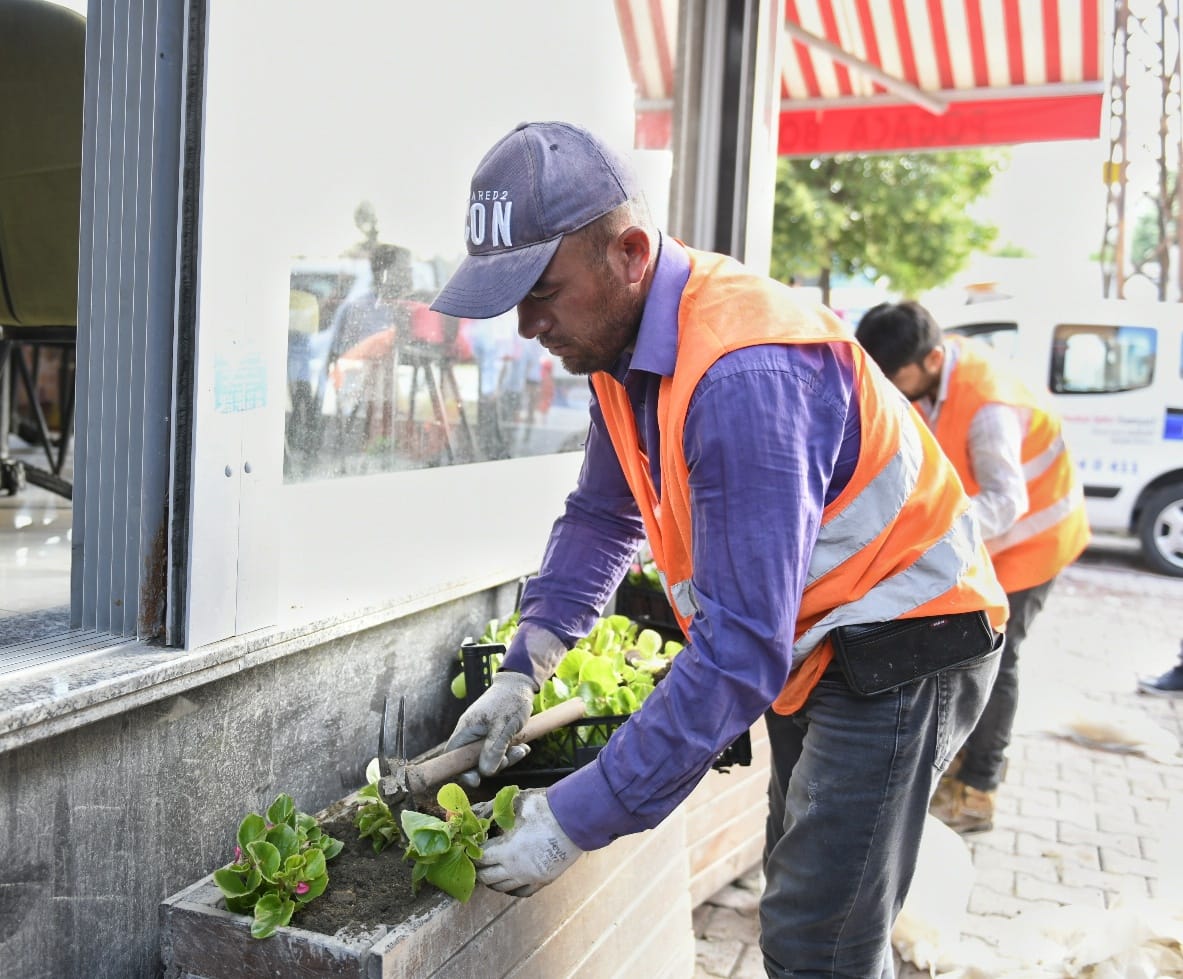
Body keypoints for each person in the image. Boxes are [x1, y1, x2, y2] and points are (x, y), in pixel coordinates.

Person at [429, 121, 1008, 977]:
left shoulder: (743, 374)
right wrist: (527, 663)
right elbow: (599, 515)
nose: (525, 324)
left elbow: (739, 648)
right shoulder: (619, 350)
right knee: (815, 900)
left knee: (819, 939)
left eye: (541, 289)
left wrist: (573, 818)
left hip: (907, 641)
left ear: (628, 252)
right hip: (827, 636)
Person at [856, 301, 1091, 834]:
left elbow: (1006, 504)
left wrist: (927, 537)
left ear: (932, 359)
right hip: (984, 541)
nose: (891, 387)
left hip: (1033, 541)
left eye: (897, 377)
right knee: (961, 651)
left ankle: (980, 790)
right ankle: (960, 762)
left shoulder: (988, 405)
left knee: (997, 658)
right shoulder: (930, 373)